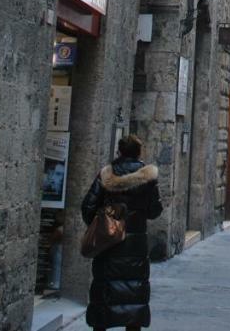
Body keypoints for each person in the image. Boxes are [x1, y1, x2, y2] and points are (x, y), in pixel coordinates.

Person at [80, 134, 163, 331]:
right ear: (139, 152)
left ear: (119, 151)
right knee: (134, 293)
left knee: (104, 291)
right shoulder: (148, 179)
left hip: (109, 245)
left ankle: (100, 326)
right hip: (135, 247)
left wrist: (102, 223)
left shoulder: (106, 175)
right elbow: (155, 211)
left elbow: (87, 207)